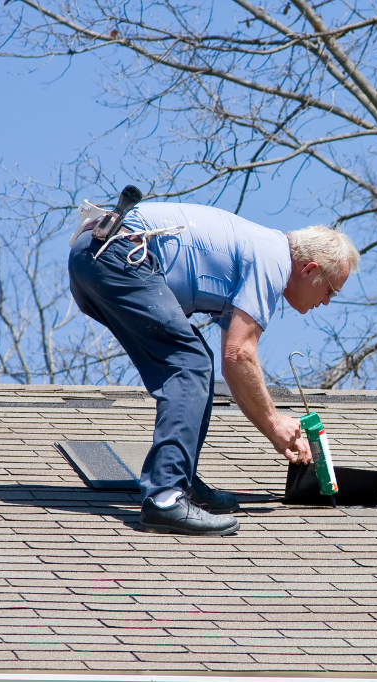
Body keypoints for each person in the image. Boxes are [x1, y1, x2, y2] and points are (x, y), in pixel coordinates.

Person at [68, 199, 359, 536]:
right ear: (309, 270)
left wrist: (273, 430)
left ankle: (181, 481)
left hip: (94, 255)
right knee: (190, 364)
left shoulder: (257, 252)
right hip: (119, 254)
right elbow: (240, 355)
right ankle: (165, 497)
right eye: (331, 291)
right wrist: (275, 421)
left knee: (196, 363)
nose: (326, 301)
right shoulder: (272, 260)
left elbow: (232, 366)